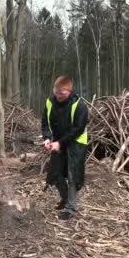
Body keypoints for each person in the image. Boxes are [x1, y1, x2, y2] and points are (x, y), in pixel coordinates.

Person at [41, 76, 89, 220]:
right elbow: (45, 123)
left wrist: (60, 143)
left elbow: (78, 129)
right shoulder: (50, 102)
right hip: (57, 142)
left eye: (61, 93)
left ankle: (71, 208)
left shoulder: (79, 105)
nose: (58, 96)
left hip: (76, 143)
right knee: (55, 173)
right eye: (56, 92)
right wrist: (47, 138)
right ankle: (65, 198)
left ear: (69, 90)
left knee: (72, 175)